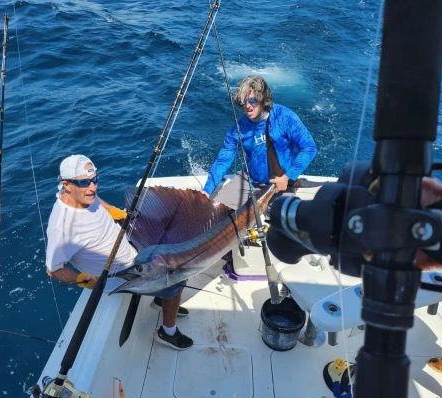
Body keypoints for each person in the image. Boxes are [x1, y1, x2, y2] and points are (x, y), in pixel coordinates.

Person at [45, 154, 193, 351]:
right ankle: (168, 331)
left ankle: (161, 299)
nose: (92, 187)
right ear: (67, 184)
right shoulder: (62, 227)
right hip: (122, 277)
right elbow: (53, 270)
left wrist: (114, 211)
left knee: (172, 239)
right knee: (177, 278)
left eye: (95, 179)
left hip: (132, 251)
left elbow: (97, 200)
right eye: (84, 182)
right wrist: (82, 279)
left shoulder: (84, 195)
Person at [202, 75, 318, 210]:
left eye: (252, 100)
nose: (247, 106)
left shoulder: (284, 117)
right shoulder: (238, 130)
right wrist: (207, 190)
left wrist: (288, 176)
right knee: (217, 214)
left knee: (286, 221)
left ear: (264, 99)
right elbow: (223, 161)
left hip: (280, 183)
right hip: (249, 181)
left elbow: (309, 148)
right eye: (243, 101)